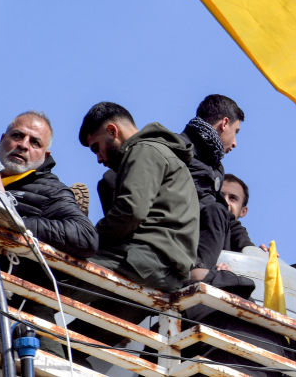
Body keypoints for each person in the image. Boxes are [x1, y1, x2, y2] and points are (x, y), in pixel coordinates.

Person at [73, 101, 198, 348]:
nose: (99, 158)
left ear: (112, 130)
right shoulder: (161, 153)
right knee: (83, 341)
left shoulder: (143, 150)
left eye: (96, 148)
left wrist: (86, 238)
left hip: (143, 260)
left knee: (47, 278)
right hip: (161, 274)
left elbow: (130, 211)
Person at [0, 110, 97, 356]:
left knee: (50, 361)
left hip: (22, 300)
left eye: (35, 142)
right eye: (18, 136)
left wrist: (16, 225)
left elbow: (85, 236)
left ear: (45, 155)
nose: (23, 145)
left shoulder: (51, 190)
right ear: (3, 138)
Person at [181, 94, 244, 281]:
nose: (235, 143)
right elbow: (208, 208)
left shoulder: (213, 165)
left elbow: (229, 221)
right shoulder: (182, 150)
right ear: (224, 124)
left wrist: (253, 251)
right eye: (236, 131)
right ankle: (200, 275)